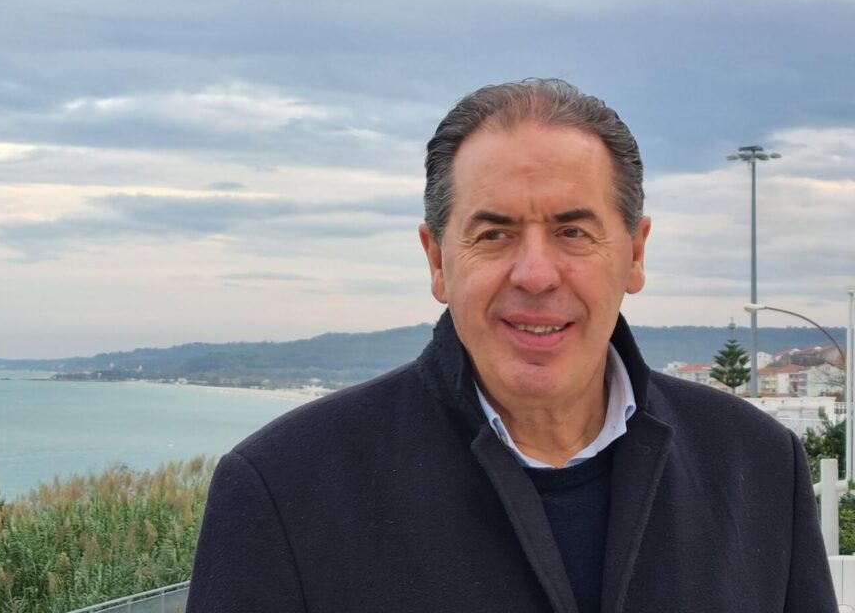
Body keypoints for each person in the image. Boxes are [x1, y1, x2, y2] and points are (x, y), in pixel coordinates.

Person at [186, 79, 835, 612]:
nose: (535, 274)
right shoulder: (283, 491)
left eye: (573, 232)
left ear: (635, 254)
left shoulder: (757, 466)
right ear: (437, 261)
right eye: (494, 235)